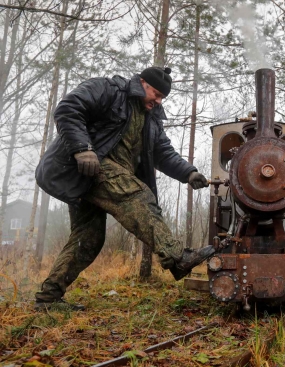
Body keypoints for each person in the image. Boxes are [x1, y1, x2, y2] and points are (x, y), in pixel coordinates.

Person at [34, 67, 215, 311]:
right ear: (142, 83)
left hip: (101, 177)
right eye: (156, 94)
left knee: (88, 240)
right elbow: (68, 109)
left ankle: (48, 299)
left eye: (163, 97)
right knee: (137, 195)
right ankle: (177, 258)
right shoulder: (108, 90)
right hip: (85, 166)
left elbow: (163, 152)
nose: (158, 101)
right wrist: (82, 147)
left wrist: (189, 172)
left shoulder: (152, 120)